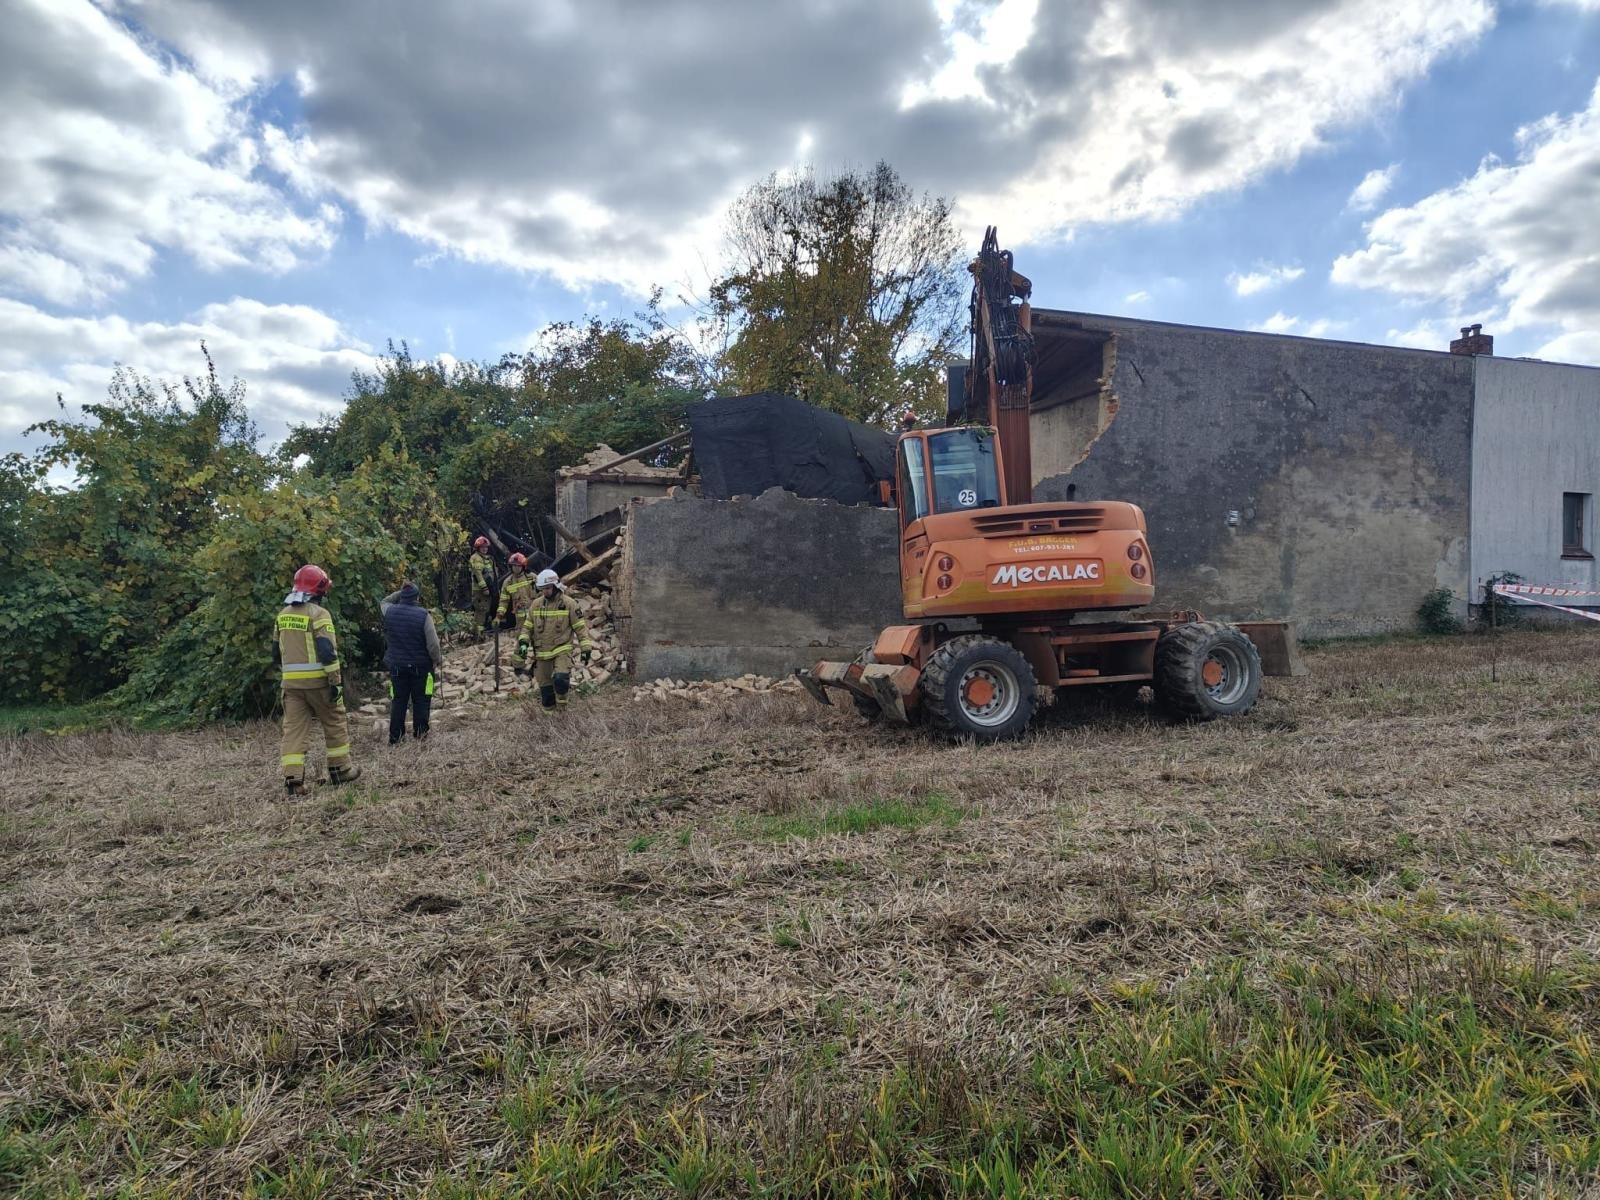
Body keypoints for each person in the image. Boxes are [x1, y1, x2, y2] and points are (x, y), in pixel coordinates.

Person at [274, 563, 360, 796]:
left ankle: (293, 780)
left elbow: (276, 653)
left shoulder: (282, 616)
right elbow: (327, 652)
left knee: (293, 730)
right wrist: (335, 682)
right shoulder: (319, 614)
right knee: (334, 722)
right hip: (319, 683)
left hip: (291, 686)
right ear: (319, 591)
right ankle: (340, 770)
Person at [518, 567, 593, 712]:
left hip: (562, 649)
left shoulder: (569, 604)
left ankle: (562, 711)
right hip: (542, 652)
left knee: (560, 679)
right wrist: (523, 642)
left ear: (555, 586)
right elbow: (527, 626)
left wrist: (586, 648)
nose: (545, 592)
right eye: (542, 589)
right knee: (546, 692)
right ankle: (549, 719)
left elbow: (580, 628)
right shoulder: (536, 604)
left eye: (547, 588)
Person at [381, 580, 445, 744]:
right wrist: (438, 660)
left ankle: (396, 738)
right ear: (417, 597)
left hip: (396, 667)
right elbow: (433, 644)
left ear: (401, 596)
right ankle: (421, 734)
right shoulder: (424, 615)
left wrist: (400, 592)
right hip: (421, 667)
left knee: (398, 701)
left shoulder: (389, 611)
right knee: (422, 700)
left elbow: (384, 601)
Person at [494, 552, 535, 627]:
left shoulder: (532, 577)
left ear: (523, 566)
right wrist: (498, 616)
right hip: (520, 620)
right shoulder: (508, 582)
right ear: (511, 567)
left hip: (535, 615)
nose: (516, 567)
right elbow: (503, 601)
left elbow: (543, 594)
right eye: (514, 565)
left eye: (518, 565)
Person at [468, 536, 496, 633]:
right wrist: (484, 588)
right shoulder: (476, 558)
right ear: (478, 548)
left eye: (486, 547)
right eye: (482, 547)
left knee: (485, 610)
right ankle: (478, 633)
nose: (485, 549)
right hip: (480, 591)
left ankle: (480, 631)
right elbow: (478, 575)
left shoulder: (487, 559)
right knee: (481, 611)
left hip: (487, 589)